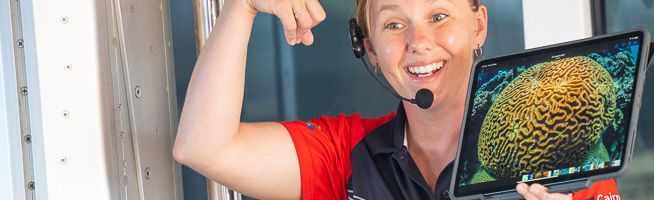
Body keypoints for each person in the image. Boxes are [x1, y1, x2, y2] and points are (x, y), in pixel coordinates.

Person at [173, 0, 617, 199]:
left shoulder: (569, 156)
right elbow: (202, 146)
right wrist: (243, 6)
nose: (418, 42)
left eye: (438, 16)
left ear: (477, 26)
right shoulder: (344, 155)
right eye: (392, 25)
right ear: (368, 48)